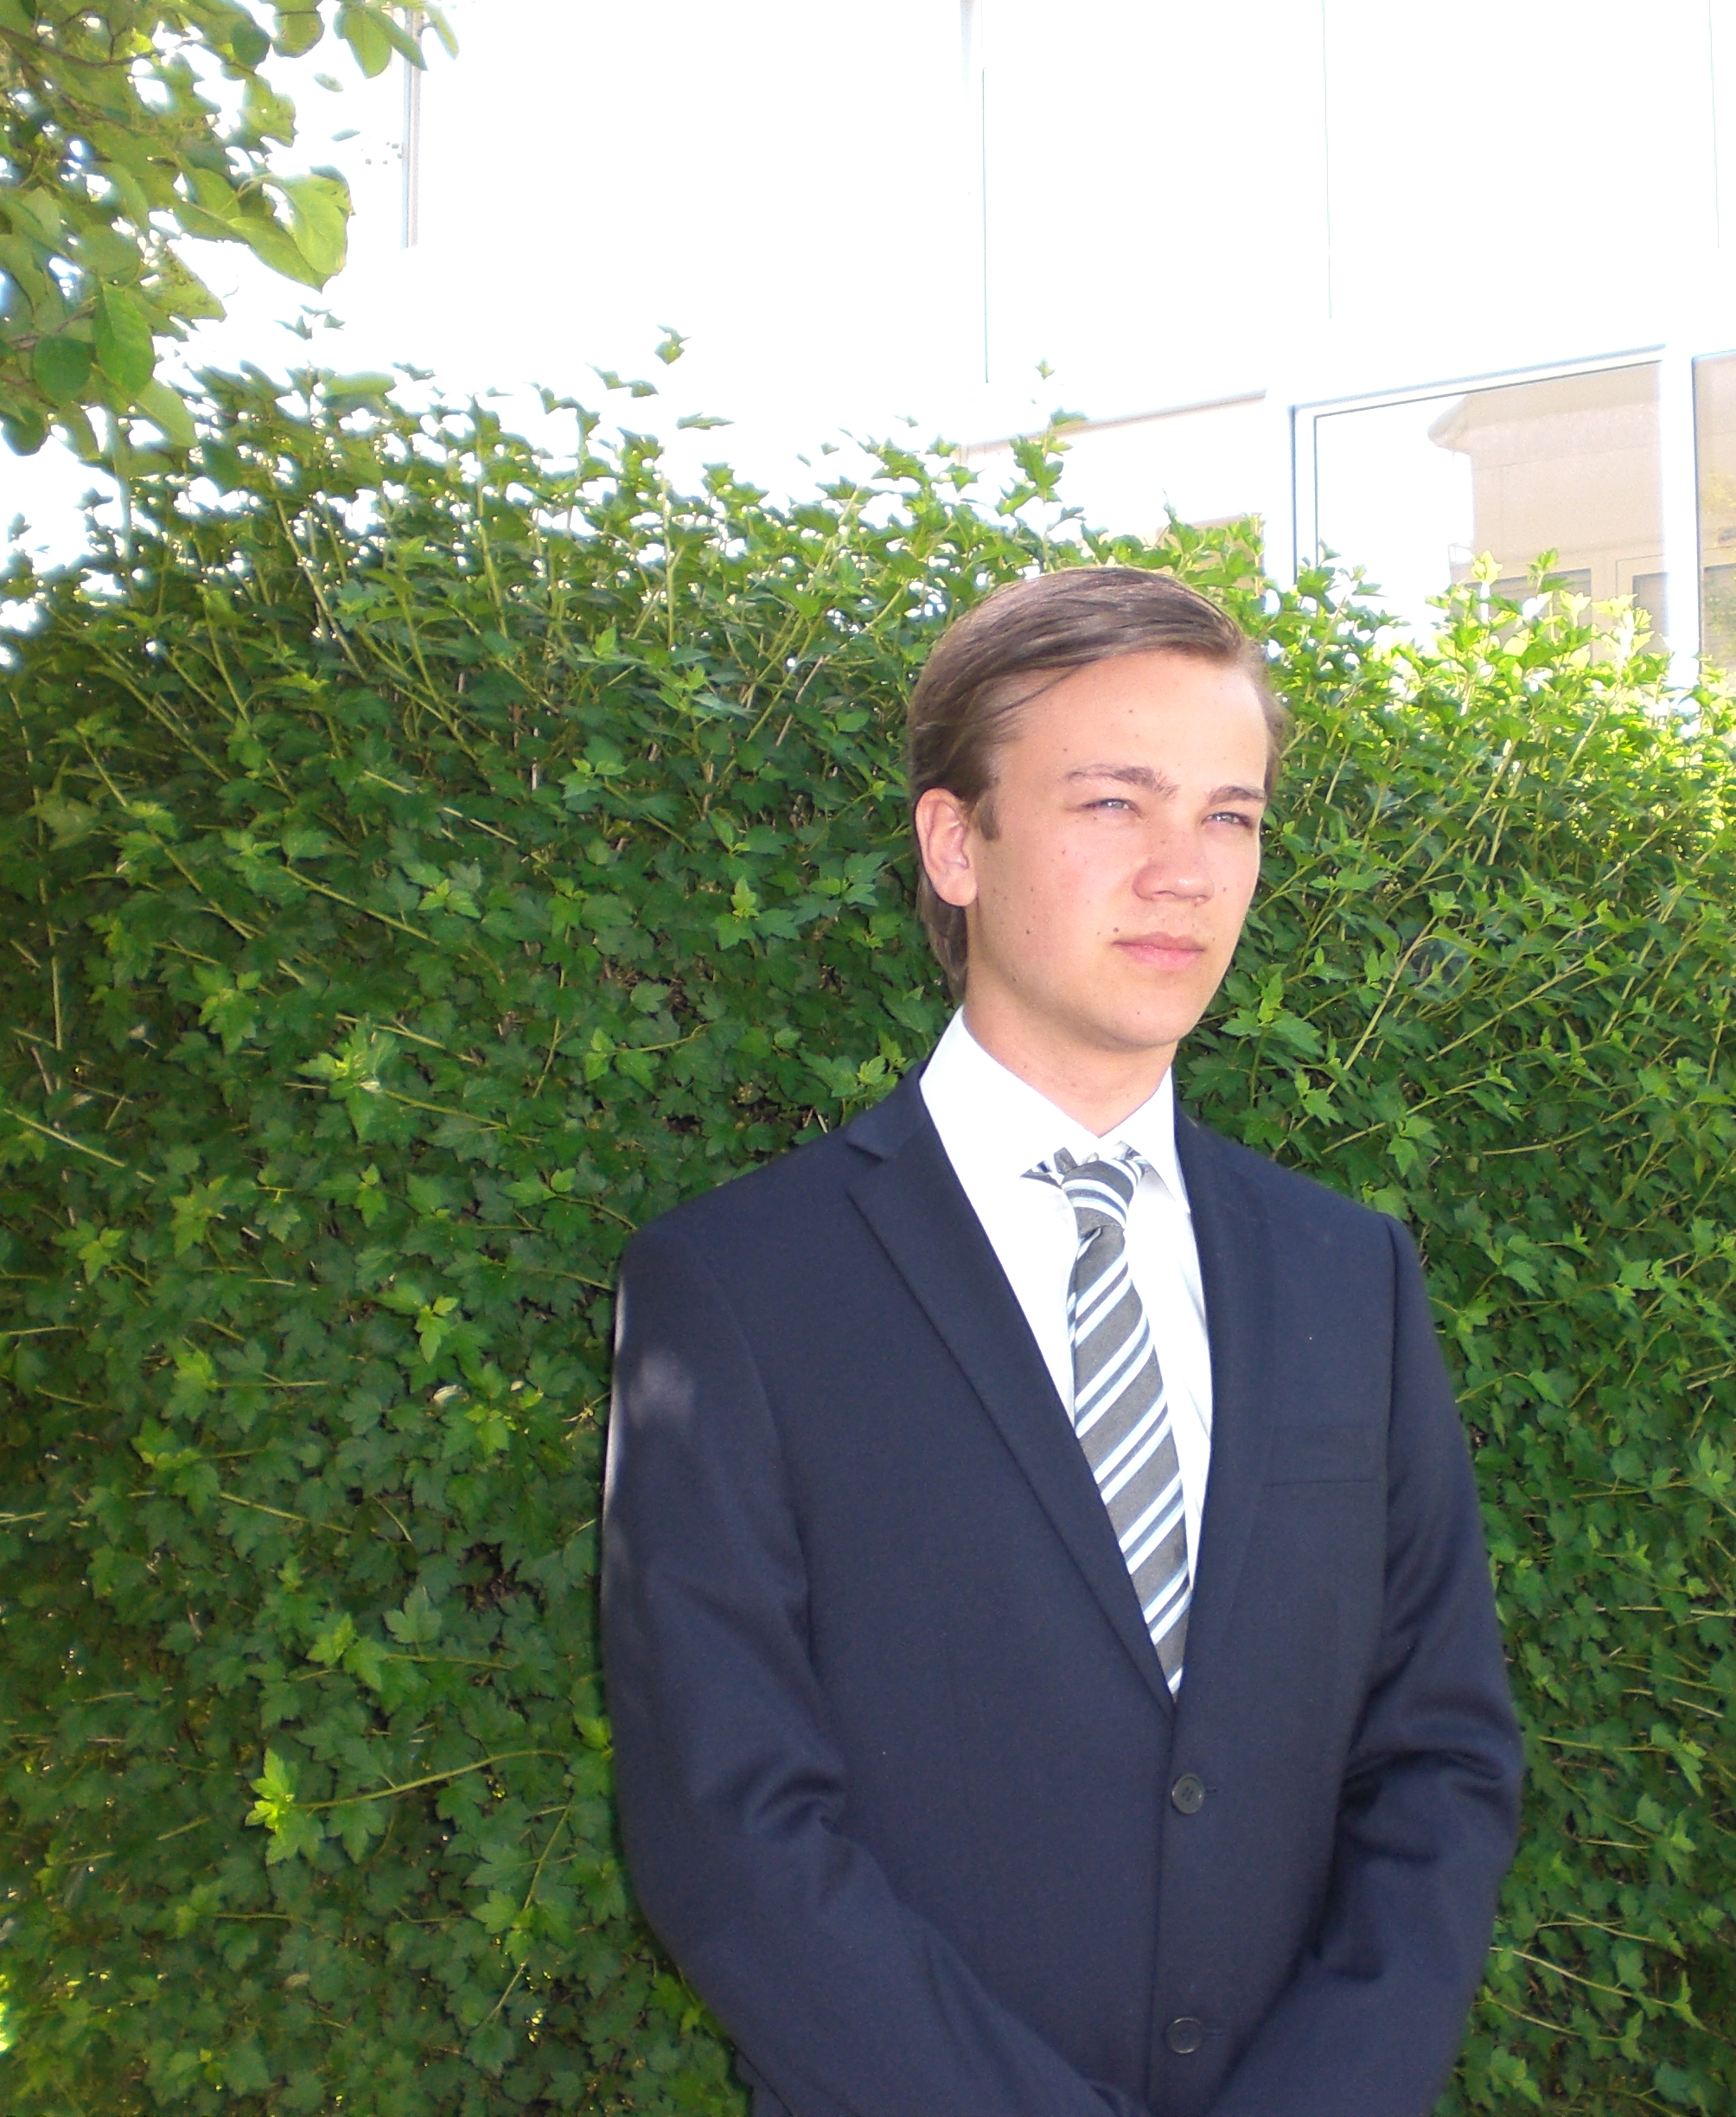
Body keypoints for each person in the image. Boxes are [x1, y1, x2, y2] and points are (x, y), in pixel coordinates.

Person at [598, 566, 1524, 2117]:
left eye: (1230, 815)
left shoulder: (1347, 1275)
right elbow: (730, 1829)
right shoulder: (738, 1290)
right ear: (955, 844)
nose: (1186, 873)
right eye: (1114, 802)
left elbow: (1440, 1757)